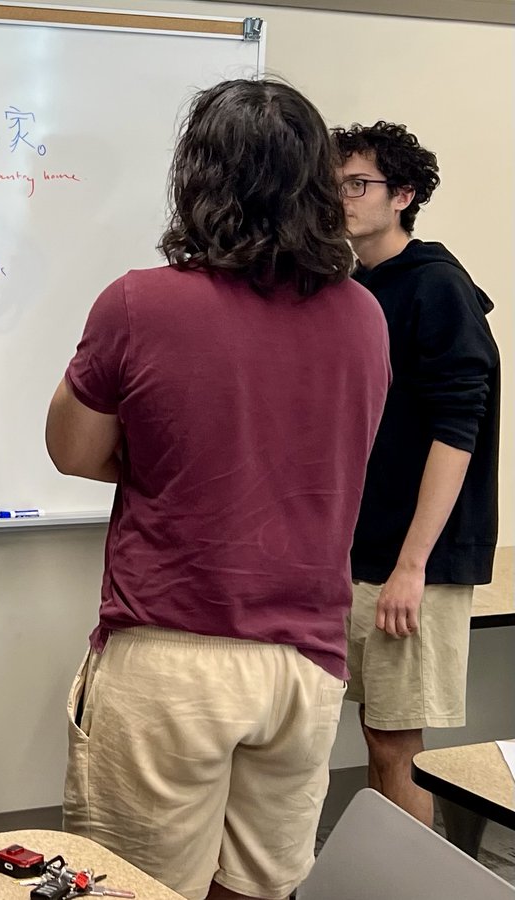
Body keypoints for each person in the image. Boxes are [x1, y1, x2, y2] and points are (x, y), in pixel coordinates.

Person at [45, 79, 390, 900]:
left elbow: (71, 448)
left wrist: (171, 464)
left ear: (197, 179)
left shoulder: (140, 303)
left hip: (172, 649)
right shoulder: (364, 316)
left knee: (132, 890)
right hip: (306, 662)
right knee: (262, 889)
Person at [332, 121, 500, 826]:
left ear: (403, 194)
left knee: (397, 744)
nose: (342, 198)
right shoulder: (357, 286)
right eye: (333, 185)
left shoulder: (437, 287)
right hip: (362, 551)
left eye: (358, 184)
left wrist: (412, 566)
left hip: (411, 562)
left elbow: (458, 431)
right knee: (376, 732)